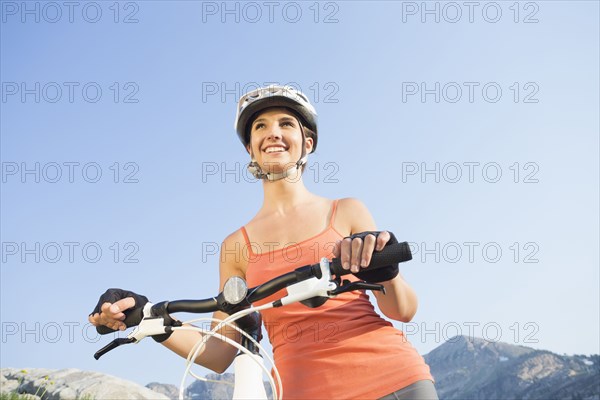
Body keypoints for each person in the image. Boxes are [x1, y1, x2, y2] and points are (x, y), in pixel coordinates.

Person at [89, 85, 439, 400]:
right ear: (250, 149)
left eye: (286, 123)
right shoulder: (235, 247)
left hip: (395, 381)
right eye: (260, 126)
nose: (273, 132)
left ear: (308, 143)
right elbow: (218, 351)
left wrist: (387, 271)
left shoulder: (346, 211)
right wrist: (148, 316)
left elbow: (403, 310)